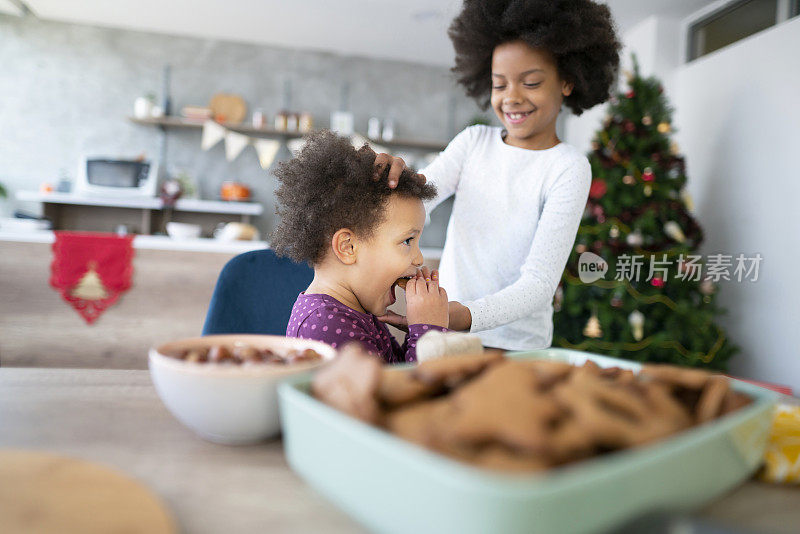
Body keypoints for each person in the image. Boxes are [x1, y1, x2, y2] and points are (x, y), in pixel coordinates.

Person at [376, 0, 622, 351]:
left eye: (531, 82)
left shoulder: (568, 167)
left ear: (567, 81)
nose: (512, 98)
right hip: (445, 335)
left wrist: (456, 315)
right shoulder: (474, 142)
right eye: (499, 84)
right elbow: (417, 203)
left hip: (516, 345)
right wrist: (391, 183)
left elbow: (538, 285)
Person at [273, 130, 449, 363]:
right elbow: (401, 395)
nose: (418, 258)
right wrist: (429, 333)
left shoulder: (357, 309)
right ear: (348, 247)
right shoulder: (324, 324)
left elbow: (396, 369)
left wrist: (421, 327)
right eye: (408, 241)